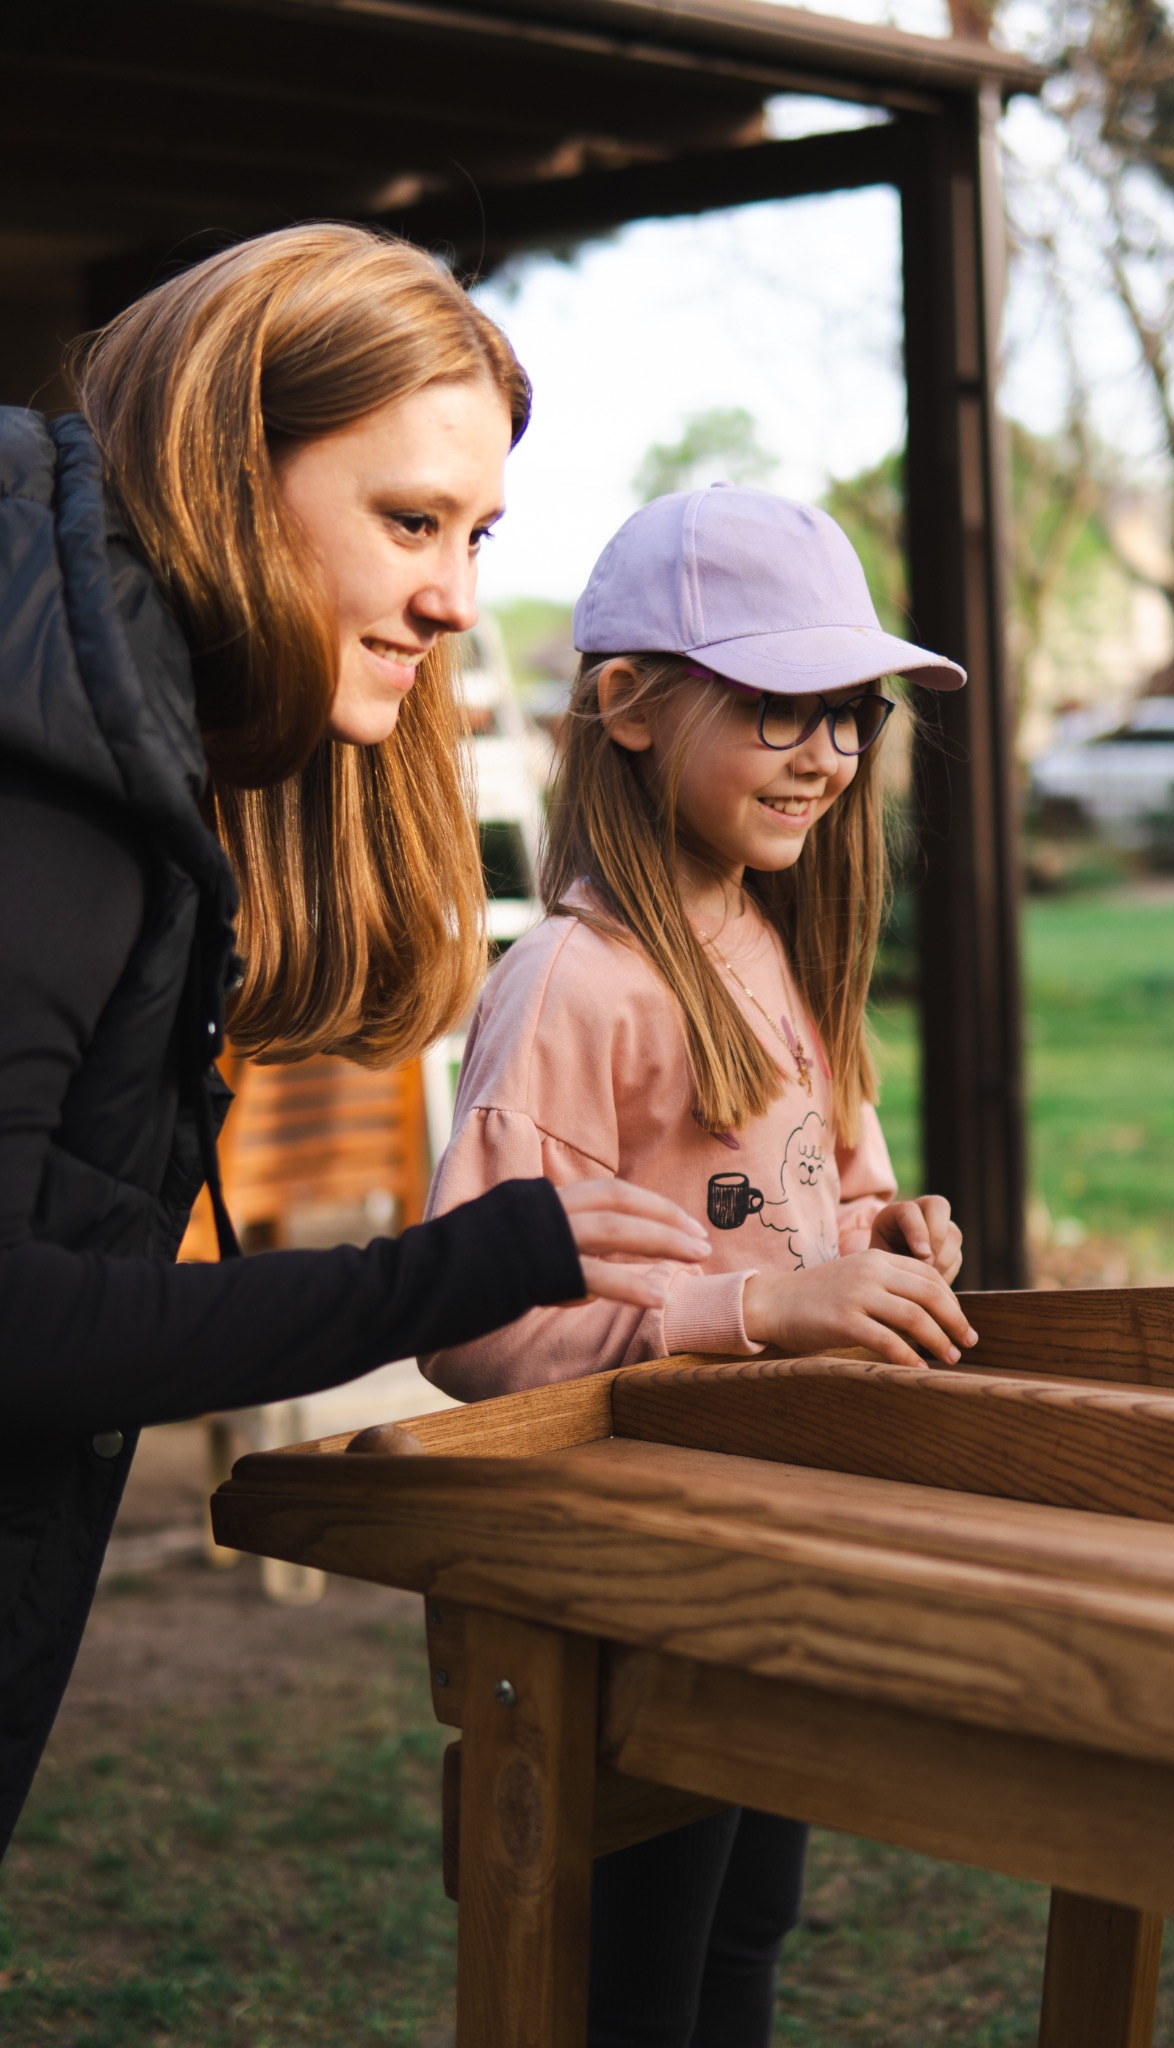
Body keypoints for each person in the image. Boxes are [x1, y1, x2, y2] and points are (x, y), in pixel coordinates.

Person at [0, 223, 711, 1862]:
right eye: (409, 522)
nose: (453, 598)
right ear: (227, 473)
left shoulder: (96, 729)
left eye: (475, 534)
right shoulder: (52, 799)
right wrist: (451, 1272)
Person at [421, 482, 977, 2047]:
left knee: (745, 1930)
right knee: (633, 1969)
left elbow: (827, 1197)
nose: (827, 752)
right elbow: (473, 1325)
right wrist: (753, 1309)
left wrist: (881, 1241)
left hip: (767, 1546)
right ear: (626, 707)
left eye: (848, 712)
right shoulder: (569, 987)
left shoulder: (783, 942)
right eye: (777, 707)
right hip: (624, 1580)